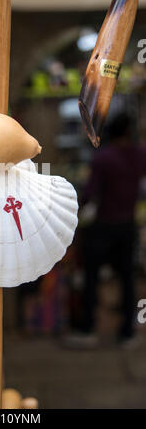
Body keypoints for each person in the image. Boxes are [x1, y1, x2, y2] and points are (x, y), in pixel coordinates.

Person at [69, 112, 146, 348]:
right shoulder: (140, 156)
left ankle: (89, 328)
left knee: (91, 278)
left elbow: (91, 193)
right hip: (128, 224)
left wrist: (77, 209)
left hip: (103, 226)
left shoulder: (103, 159)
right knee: (126, 278)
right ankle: (127, 332)